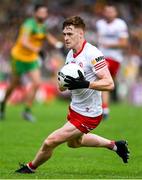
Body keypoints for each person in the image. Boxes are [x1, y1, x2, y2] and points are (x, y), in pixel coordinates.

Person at [15, 16, 129, 174]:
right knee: (74, 143)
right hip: (75, 109)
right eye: (64, 34)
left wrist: (85, 84)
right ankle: (116, 145)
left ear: (81, 34)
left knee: (50, 141)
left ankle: (30, 167)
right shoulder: (70, 55)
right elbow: (63, 86)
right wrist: (63, 84)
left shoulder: (93, 54)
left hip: (89, 113)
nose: (66, 38)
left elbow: (110, 84)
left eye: (70, 34)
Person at [0, 4, 63, 121]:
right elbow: (23, 41)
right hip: (19, 57)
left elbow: (48, 36)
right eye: (41, 12)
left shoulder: (42, 26)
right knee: (14, 85)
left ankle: (27, 111)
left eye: (45, 12)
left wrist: (59, 45)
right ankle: (2, 106)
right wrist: (37, 50)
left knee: (37, 83)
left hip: (31, 59)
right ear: (35, 13)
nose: (43, 15)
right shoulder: (29, 24)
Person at [95, 5, 129, 119]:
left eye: (111, 11)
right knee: (102, 80)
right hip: (103, 57)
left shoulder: (120, 24)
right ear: (104, 13)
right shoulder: (99, 23)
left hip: (115, 58)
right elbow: (99, 40)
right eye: (107, 11)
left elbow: (124, 43)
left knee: (108, 84)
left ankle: (103, 108)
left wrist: (109, 44)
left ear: (116, 13)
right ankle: (103, 109)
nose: (109, 13)